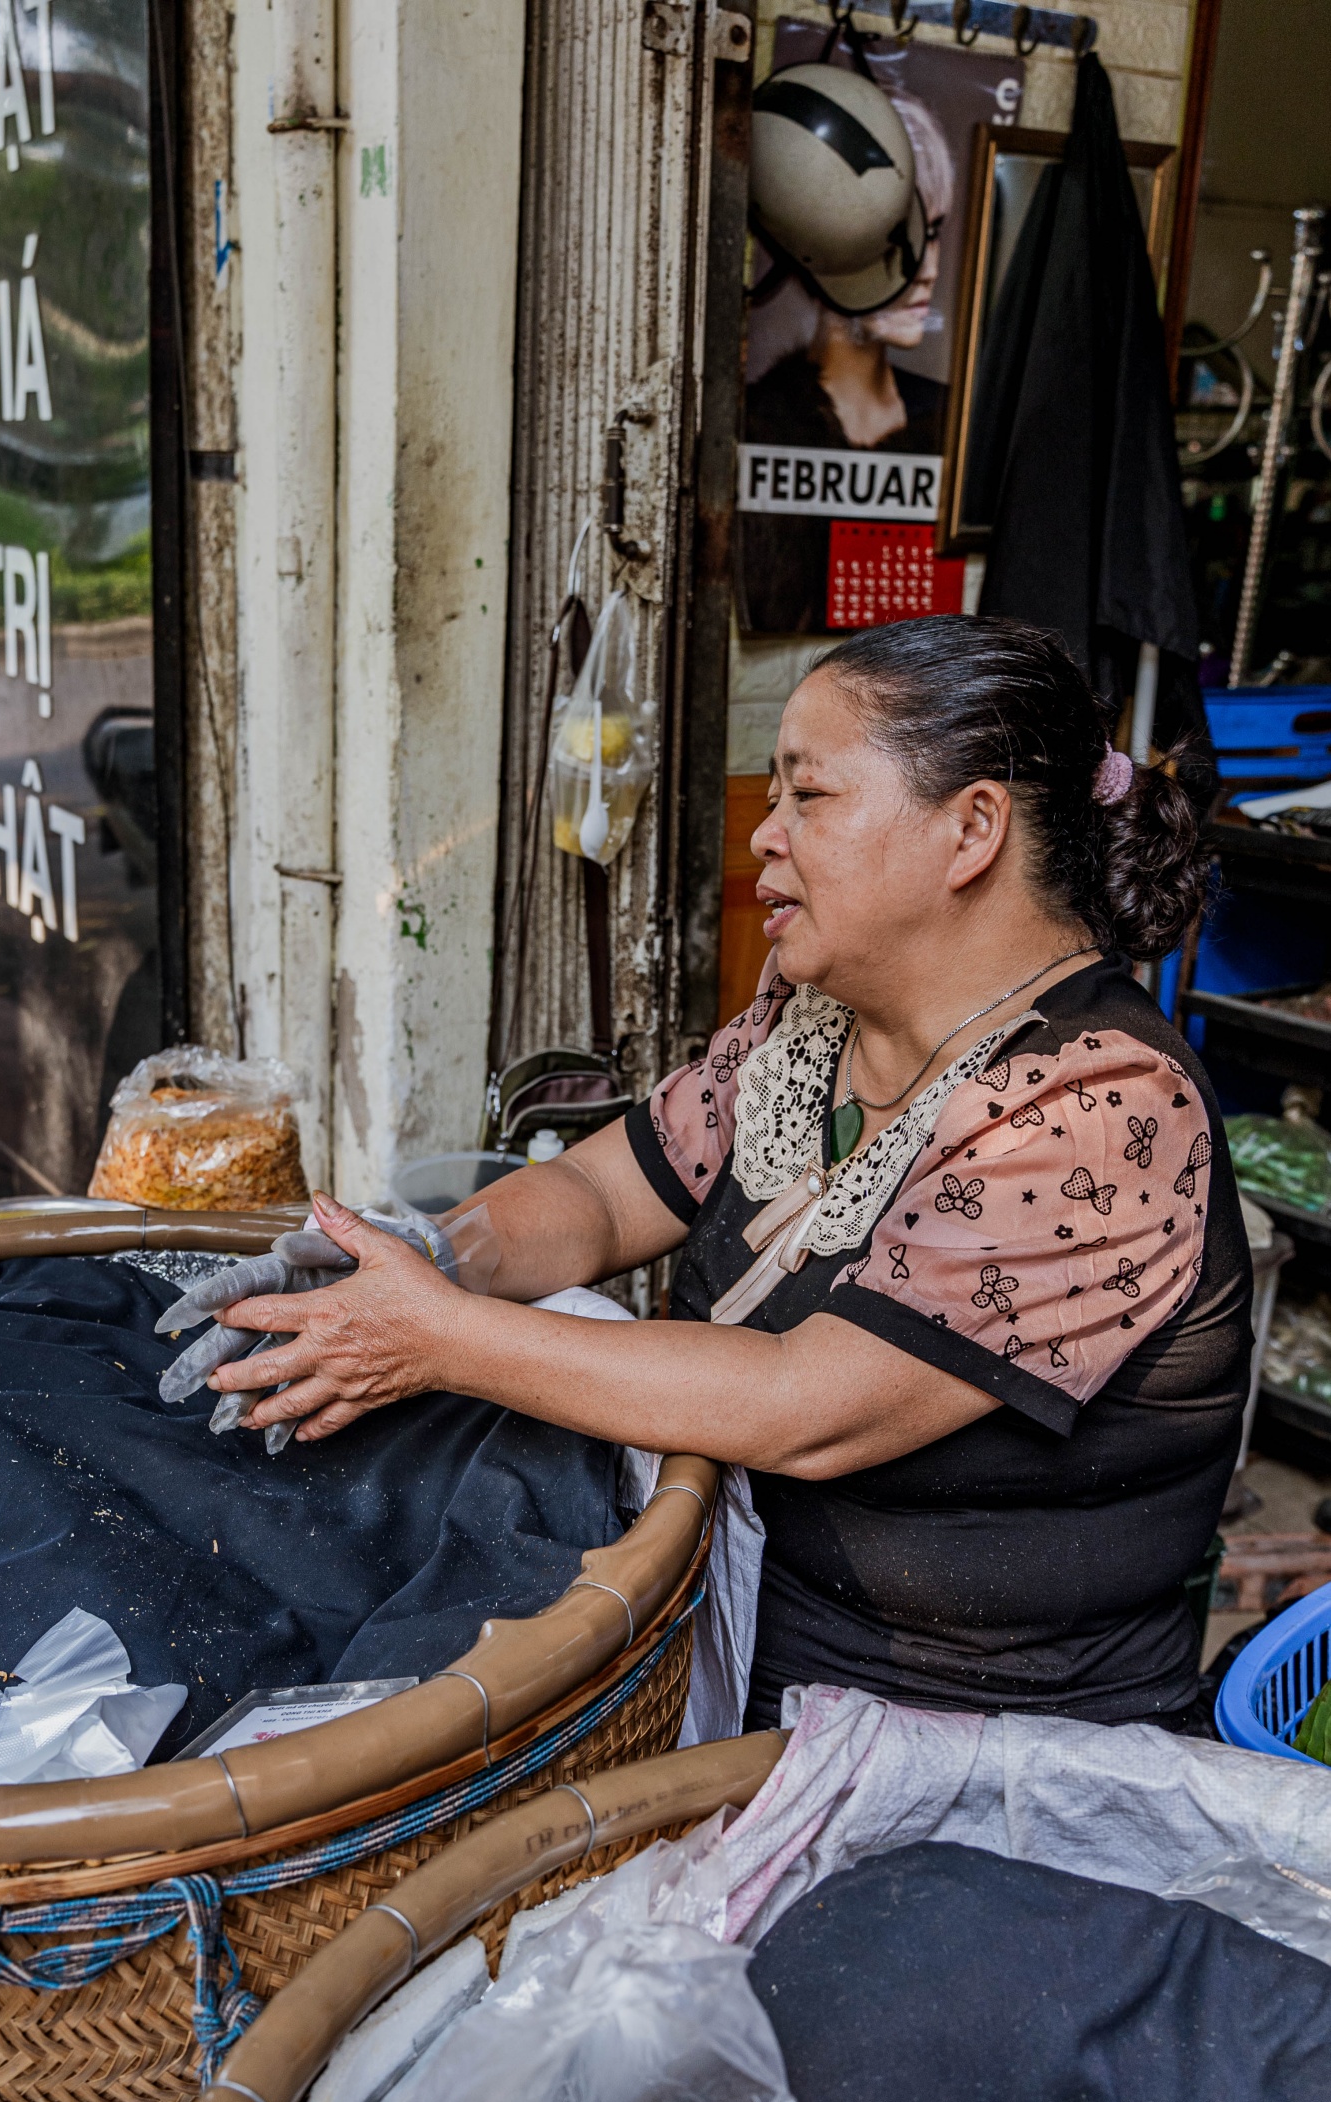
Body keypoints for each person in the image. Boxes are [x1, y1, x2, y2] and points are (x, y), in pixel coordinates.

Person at [207, 616, 1251, 1734]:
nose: (766, 833)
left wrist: (439, 1336)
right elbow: (604, 1197)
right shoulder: (808, 1028)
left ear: (972, 830)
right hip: (707, 1631)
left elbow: (805, 1403)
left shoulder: (1101, 1111)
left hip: (955, 1743)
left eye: (811, 796)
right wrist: (431, 1256)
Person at [741, 93, 956, 633]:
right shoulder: (763, 422)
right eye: (903, 238)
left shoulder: (948, 419)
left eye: (935, 234)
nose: (928, 269)